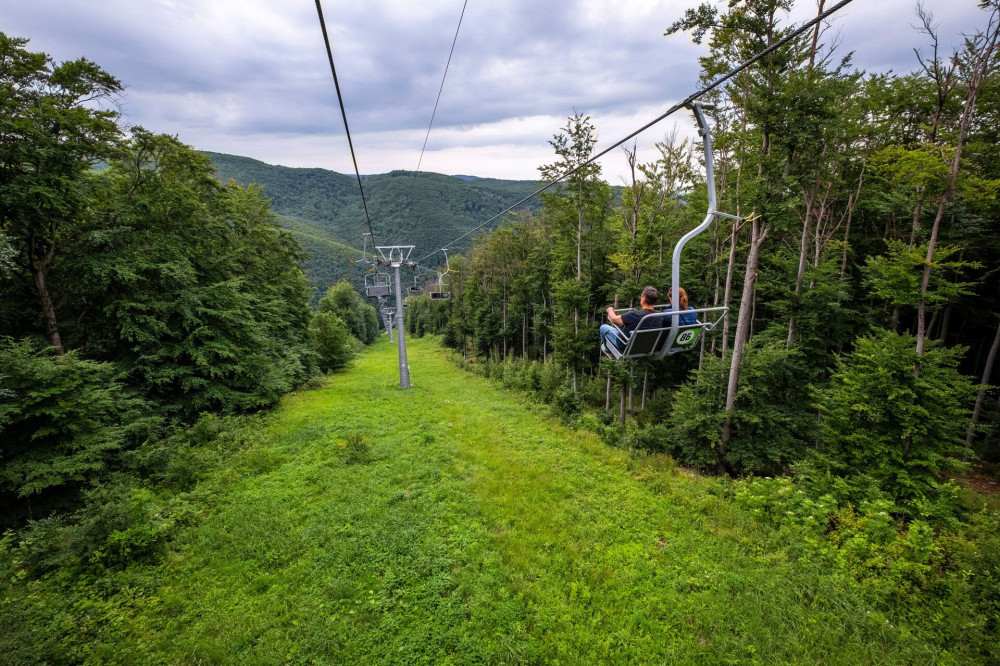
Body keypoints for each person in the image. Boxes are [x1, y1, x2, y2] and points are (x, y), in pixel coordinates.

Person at [600, 286, 659, 356]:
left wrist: (610, 310)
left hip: (626, 346)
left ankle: (609, 351)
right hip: (648, 346)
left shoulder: (633, 315)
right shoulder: (659, 317)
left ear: (643, 299)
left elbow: (614, 319)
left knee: (603, 328)